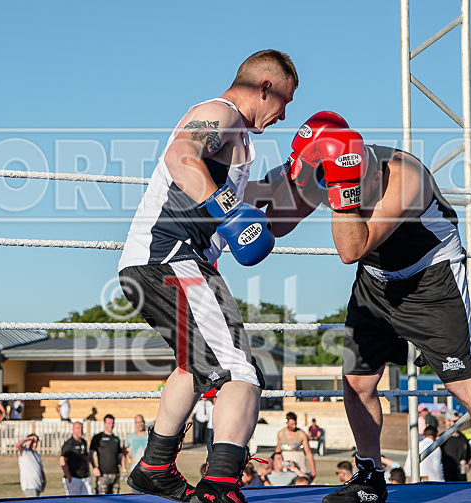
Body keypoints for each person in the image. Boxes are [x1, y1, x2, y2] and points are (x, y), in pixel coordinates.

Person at [255, 113, 471, 502]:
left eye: (330, 177)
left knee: (460, 380)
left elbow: (350, 249)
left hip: (429, 279)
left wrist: (341, 189)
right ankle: (369, 478)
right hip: (375, 281)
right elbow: (278, 224)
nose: (323, 187)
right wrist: (242, 202)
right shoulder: (323, 170)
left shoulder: (404, 176)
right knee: (357, 382)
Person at [118, 49, 297, 503]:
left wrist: (302, 178)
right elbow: (181, 154)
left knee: (195, 366)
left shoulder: (239, 141)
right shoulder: (221, 113)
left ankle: (155, 466)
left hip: (166, 262)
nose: (284, 115)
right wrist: (229, 210)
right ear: (265, 87)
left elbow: (259, 223)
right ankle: (220, 487)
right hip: (170, 259)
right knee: (240, 372)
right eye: (284, 101)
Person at [90, 414, 125, 494]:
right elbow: (90, 455)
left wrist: (124, 468)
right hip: (103, 475)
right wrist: (94, 468)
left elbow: (120, 455)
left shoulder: (116, 439)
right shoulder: (98, 438)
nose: (111, 425)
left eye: (112, 423)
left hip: (115, 474)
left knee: (115, 498)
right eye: (109, 423)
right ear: (104, 424)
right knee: (102, 499)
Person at [275, 412, 316, 479]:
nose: (294, 426)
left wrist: (313, 469)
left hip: (299, 462)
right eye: (292, 424)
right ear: (287, 422)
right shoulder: (281, 433)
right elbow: (277, 451)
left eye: (295, 424)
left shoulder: (301, 434)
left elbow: (308, 453)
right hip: (285, 463)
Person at [60, 421, 92, 495]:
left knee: (88, 498)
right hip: (74, 478)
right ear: (73, 430)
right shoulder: (69, 444)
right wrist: (69, 477)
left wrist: (88, 472)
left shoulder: (83, 442)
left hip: (85, 477)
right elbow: (62, 461)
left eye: (81, 428)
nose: (80, 430)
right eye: (78, 428)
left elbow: (86, 458)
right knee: (74, 499)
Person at [440, 413, 471, 481]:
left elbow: (470, 456)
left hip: (461, 478)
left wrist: (468, 465)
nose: (457, 424)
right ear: (447, 422)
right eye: (454, 421)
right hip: (447, 478)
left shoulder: (463, 438)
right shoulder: (441, 438)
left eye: (458, 421)